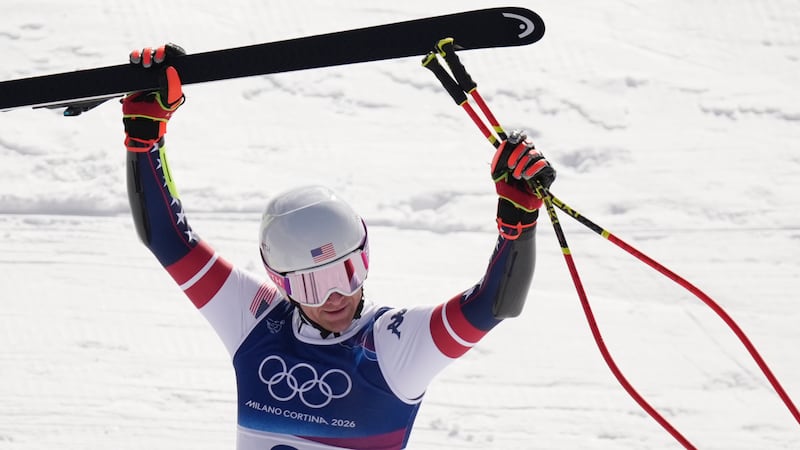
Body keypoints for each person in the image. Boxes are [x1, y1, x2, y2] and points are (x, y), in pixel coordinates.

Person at [122, 44, 556, 450]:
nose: (335, 296)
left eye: (346, 273)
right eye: (311, 285)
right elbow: (169, 242)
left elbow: (494, 305)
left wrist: (518, 223)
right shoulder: (255, 321)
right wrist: (144, 137)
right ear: (281, 283)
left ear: (364, 259)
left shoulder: (392, 347)